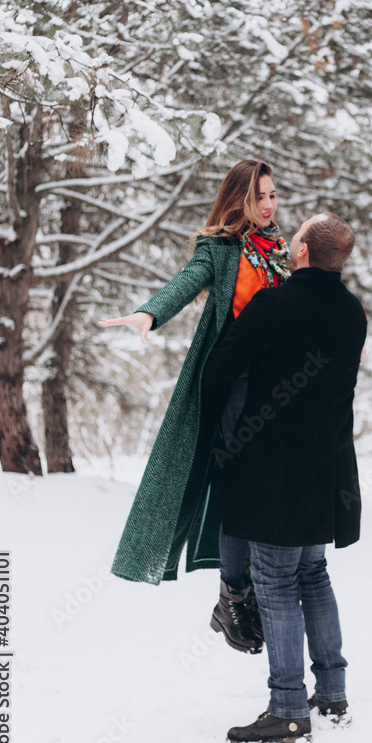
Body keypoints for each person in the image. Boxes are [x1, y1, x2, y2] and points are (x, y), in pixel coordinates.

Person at [99, 159, 291, 654]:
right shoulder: (221, 250)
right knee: (238, 490)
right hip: (235, 385)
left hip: (276, 388)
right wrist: (150, 312)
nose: (268, 205)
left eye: (273, 195)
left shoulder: (279, 251)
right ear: (239, 200)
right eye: (259, 196)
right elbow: (188, 281)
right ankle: (234, 595)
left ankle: (249, 588)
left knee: (262, 490)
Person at [200, 211, 367, 743]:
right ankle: (333, 692)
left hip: (273, 471)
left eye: (295, 237)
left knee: (275, 583)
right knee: (312, 574)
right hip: (328, 467)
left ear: (302, 251)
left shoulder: (273, 305)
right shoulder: (353, 312)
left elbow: (218, 369)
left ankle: (289, 708)